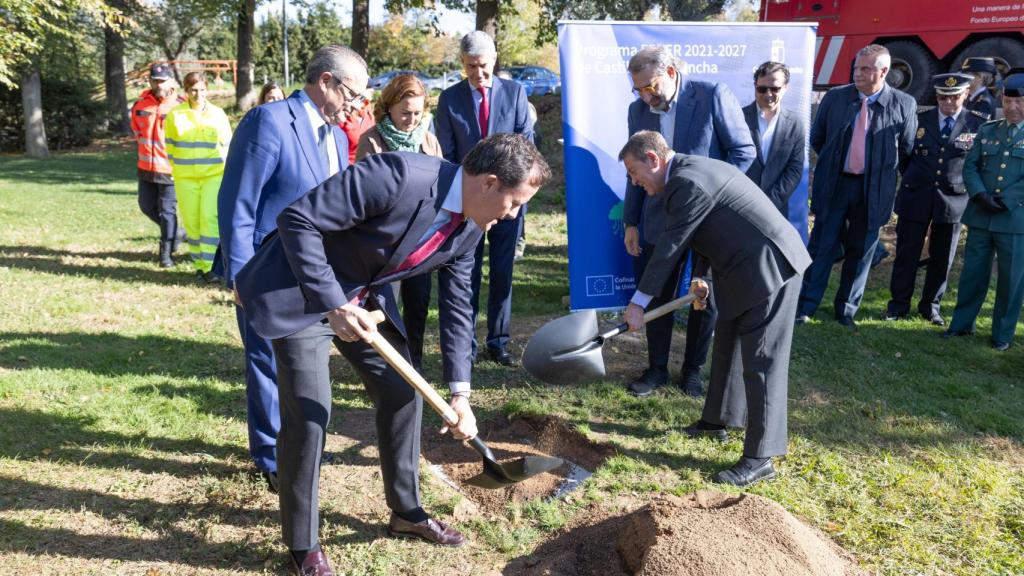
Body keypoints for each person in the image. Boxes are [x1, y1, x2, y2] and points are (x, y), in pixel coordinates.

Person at [234, 134, 550, 575]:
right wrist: (333, 303)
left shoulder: (470, 228)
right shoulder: (398, 175)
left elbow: (458, 306)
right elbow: (298, 220)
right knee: (310, 412)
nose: (513, 215)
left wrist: (460, 393)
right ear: (490, 184)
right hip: (302, 294)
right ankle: (302, 544)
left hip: (361, 302)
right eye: (515, 203)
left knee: (404, 393)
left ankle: (406, 512)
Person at [619, 130, 810, 486]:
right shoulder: (686, 174)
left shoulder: (686, 181)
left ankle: (760, 457)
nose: (634, 182)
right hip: (740, 267)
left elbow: (672, 244)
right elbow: (704, 227)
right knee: (728, 346)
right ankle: (715, 421)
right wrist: (702, 276)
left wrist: (638, 303)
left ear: (653, 160)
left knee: (762, 362)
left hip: (771, 267)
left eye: (633, 172)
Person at [218, 45, 365, 497]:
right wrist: (241, 275)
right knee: (265, 360)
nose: (356, 105)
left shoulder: (339, 138)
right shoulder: (270, 121)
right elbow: (237, 203)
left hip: (317, 270)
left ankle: (298, 446)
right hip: (266, 268)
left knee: (303, 363)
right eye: (352, 93)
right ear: (325, 81)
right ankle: (269, 455)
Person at [622, 46, 755, 397]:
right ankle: (656, 369)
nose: (645, 96)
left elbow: (744, 151)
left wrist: (712, 194)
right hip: (657, 219)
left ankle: (692, 371)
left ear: (669, 73)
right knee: (658, 289)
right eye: (638, 90)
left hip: (707, 219)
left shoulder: (711, 96)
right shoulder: (638, 111)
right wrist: (631, 221)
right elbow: (635, 168)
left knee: (702, 295)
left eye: (650, 87)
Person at [795, 44, 917, 327]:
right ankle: (806, 306)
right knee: (822, 246)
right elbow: (819, 139)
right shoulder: (836, 98)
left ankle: (846, 310)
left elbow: (908, 148)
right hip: (836, 185)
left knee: (861, 251)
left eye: (865, 68)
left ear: (883, 71)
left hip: (873, 190)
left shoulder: (904, 104)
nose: (857, 73)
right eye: (856, 67)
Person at [435, 30, 535, 367]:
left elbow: (526, 148)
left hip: (508, 202)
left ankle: (499, 341)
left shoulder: (515, 92)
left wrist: (515, 198)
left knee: (503, 272)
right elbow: (447, 156)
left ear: (494, 60)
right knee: (467, 273)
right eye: (470, 66)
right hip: (469, 205)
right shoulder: (449, 99)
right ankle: (468, 344)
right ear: (462, 64)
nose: (478, 73)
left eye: (483, 65)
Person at [355, 73, 444, 370]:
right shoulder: (372, 140)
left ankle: (413, 364)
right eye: (405, 112)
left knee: (418, 306)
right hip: (386, 244)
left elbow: (441, 186)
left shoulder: (429, 140)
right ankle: (385, 369)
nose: (411, 119)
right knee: (386, 309)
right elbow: (364, 194)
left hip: (421, 241)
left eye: (418, 113)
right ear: (390, 106)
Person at [883, 73, 986, 326]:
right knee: (907, 253)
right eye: (942, 97)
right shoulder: (919, 120)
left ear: (964, 95)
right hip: (916, 195)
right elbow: (905, 156)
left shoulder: (977, 124)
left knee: (942, 258)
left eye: (954, 97)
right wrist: (915, 179)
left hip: (953, 199)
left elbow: (978, 163)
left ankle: (931, 306)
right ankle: (898, 305)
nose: (948, 103)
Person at [943, 68, 1024, 351]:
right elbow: (971, 165)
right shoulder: (989, 130)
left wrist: (1006, 200)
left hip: (1014, 220)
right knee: (972, 274)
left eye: (1019, 101)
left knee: (1011, 280)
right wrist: (978, 194)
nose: (1012, 107)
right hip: (981, 215)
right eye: (1008, 101)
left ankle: (1002, 333)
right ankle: (961, 324)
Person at [165, 72, 232, 281]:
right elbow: (171, 147)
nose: (198, 94)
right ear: (186, 91)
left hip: (213, 175)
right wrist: (178, 169)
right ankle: (200, 265)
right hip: (185, 177)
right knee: (192, 221)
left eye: (202, 89)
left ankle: (212, 266)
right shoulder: (175, 115)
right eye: (194, 90)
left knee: (209, 218)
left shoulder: (218, 114)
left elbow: (227, 145)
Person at [130, 63, 183, 268]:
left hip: (170, 169)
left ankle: (166, 253)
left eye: (162, 80)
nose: (158, 84)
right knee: (146, 206)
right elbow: (137, 132)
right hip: (145, 167)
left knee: (167, 211)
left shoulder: (180, 105)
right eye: (155, 80)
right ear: (150, 81)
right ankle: (178, 233)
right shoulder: (140, 104)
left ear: (170, 81)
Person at [743, 61, 806, 216]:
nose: (768, 94)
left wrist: (770, 203)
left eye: (775, 89)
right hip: (740, 207)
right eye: (762, 89)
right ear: (755, 87)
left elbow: (794, 169)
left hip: (775, 211)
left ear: (785, 88)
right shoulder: (738, 118)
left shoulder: (795, 124)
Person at [339, 93, 375, 164]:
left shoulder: (368, 111)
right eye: (368, 87)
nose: (371, 91)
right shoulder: (341, 117)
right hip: (347, 168)